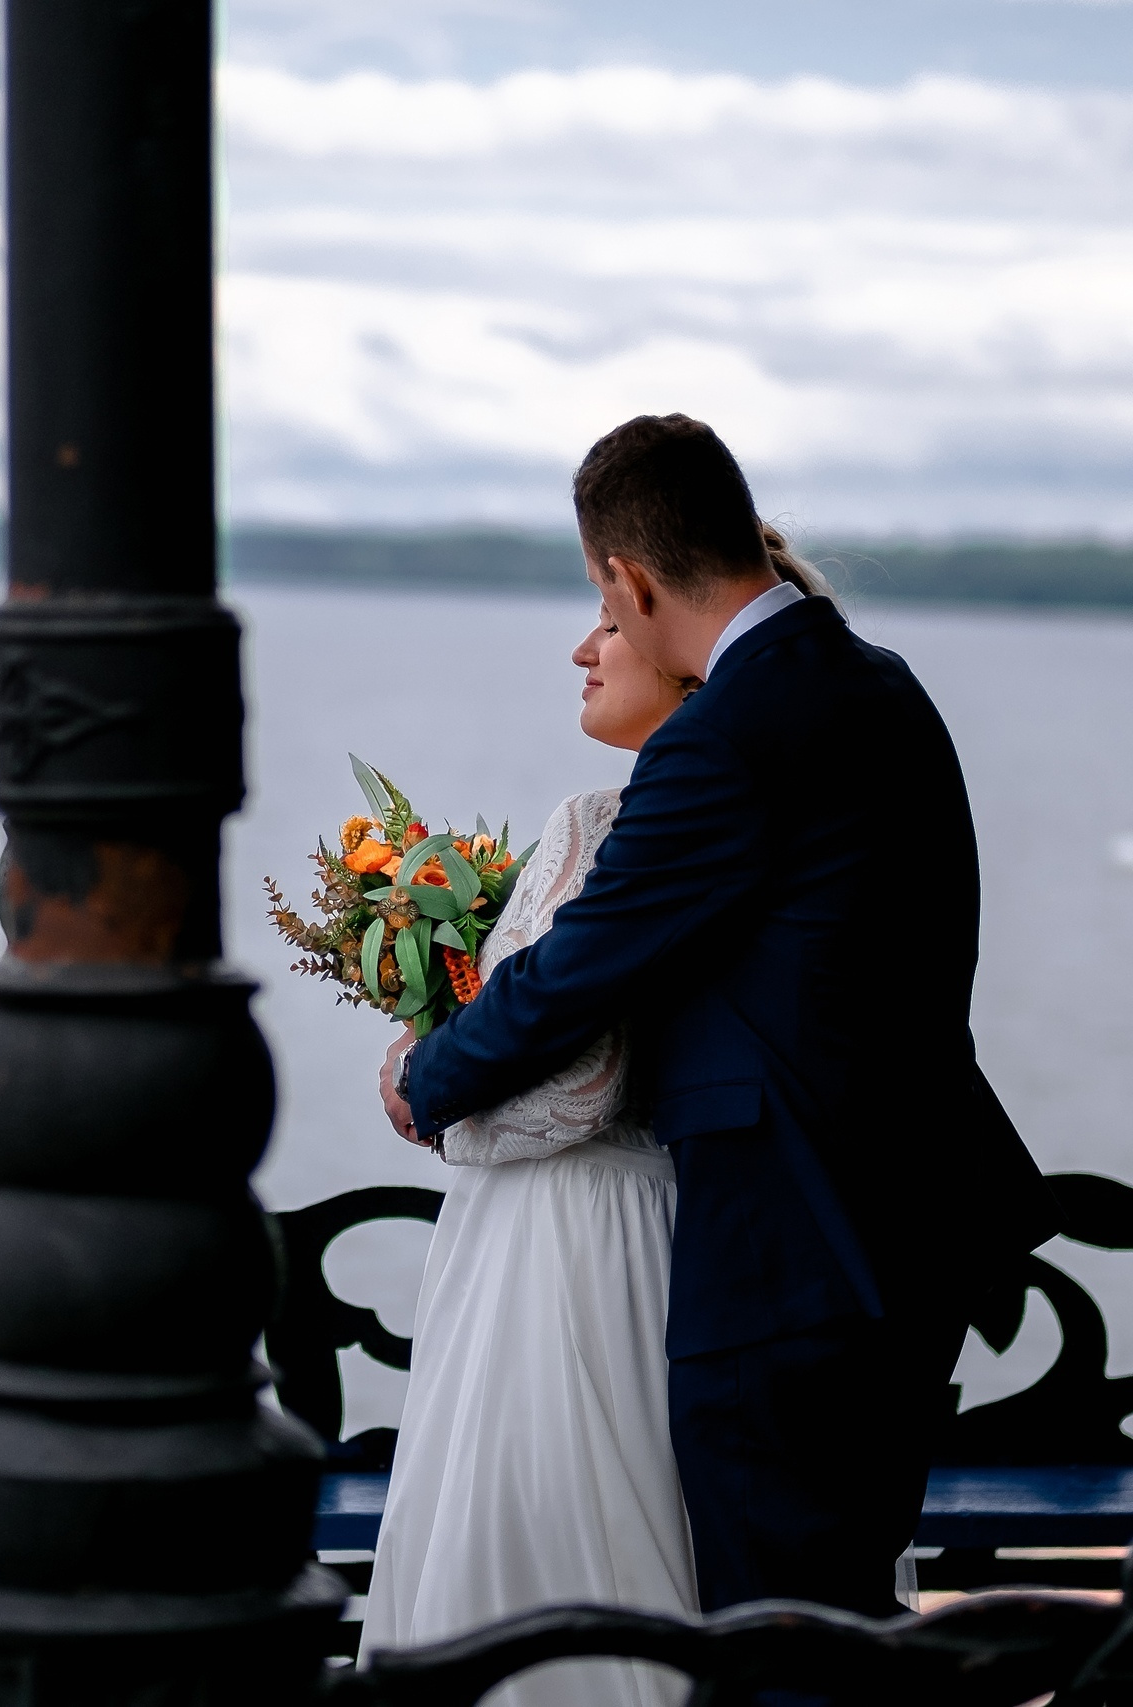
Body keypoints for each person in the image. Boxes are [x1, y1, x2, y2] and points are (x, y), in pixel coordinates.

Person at [381, 414, 1058, 1623]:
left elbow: (579, 970)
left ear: (624, 579)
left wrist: (425, 1080)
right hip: (899, 1232)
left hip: (788, 1253)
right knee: (837, 1616)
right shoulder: (880, 686)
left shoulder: (729, 736)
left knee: (779, 1635)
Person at [356, 565, 716, 1707]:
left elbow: (582, 1088)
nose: (583, 650)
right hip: (674, 1225)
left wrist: (427, 1091)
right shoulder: (745, 828)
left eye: (608, 623)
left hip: (564, 1246)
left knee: (527, 1553)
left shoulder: (599, 822)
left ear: (671, 636)